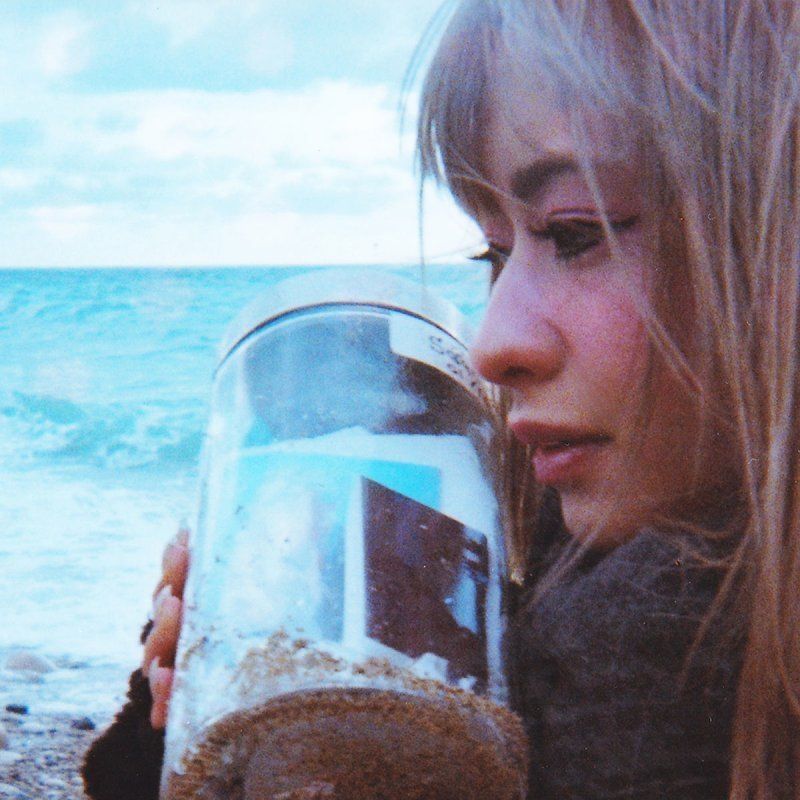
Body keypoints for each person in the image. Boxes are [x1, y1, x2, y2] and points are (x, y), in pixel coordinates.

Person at [82, 0, 800, 797]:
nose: (493, 346)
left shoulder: (637, 688)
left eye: (576, 230)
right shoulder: (544, 648)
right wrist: (224, 741)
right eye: (495, 253)